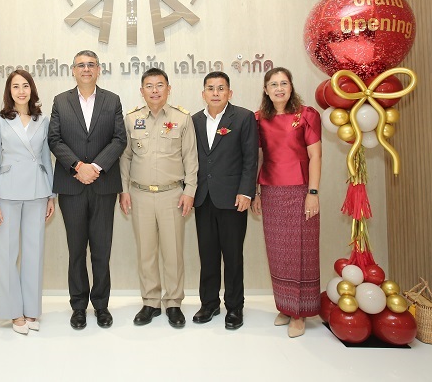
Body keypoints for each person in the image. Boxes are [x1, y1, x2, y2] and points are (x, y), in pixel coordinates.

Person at [48, 50, 126, 330]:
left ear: (98, 69)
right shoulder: (60, 101)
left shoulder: (112, 100)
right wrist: (77, 166)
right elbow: (54, 140)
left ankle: (101, 306)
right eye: (80, 65)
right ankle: (78, 306)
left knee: (102, 250)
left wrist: (96, 167)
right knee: (76, 250)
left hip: (104, 186)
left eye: (91, 64)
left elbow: (119, 139)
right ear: (73, 70)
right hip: (72, 186)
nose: (86, 69)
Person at [119, 69, 198, 328]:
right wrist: (124, 190)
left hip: (172, 195)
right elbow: (125, 158)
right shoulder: (132, 119)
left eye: (160, 85)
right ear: (141, 91)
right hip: (140, 194)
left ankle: (173, 302)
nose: (155, 90)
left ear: (168, 89)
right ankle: (151, 302)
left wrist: (189, 191)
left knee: (173, 252)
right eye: (149, 86)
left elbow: (191, 158)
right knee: (146, 252)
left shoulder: (182, 119)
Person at [251, 67, 321, 338]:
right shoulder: (259, 119)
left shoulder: (307, 115)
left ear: (291, 86)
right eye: (273, 84)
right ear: (266, 90)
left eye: (283, 83)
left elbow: (315, 156)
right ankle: (285, 306)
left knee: (301, 251)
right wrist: (256, 192)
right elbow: (258, 157)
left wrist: (313, 193)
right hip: (271, 192)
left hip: (300, 191)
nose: (279, 88)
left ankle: (300, 313)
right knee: (278, 253)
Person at [0, 70, 55, 335]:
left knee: (34, 252)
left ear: (32, 89)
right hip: (7, 191)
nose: (21, 91)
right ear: (9, 91)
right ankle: (13, 311)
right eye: (15, 86)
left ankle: (31, 310)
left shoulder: (43, 119)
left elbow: (47, 159)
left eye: (25, 86)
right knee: (7, 253)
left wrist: (51, 195)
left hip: (38, 191)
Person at [191, 71, 258, 330]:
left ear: (230, 92)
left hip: (233, 198)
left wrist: (246, 192)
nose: (216, 93)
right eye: (211, 88)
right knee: (207, 254)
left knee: (232, 255)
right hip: (203, 197)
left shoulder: (243, 117)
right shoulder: (194, 121)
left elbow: (250, 158)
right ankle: (209, 303)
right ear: (203, 93)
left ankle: (234, 307)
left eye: (221, 88)